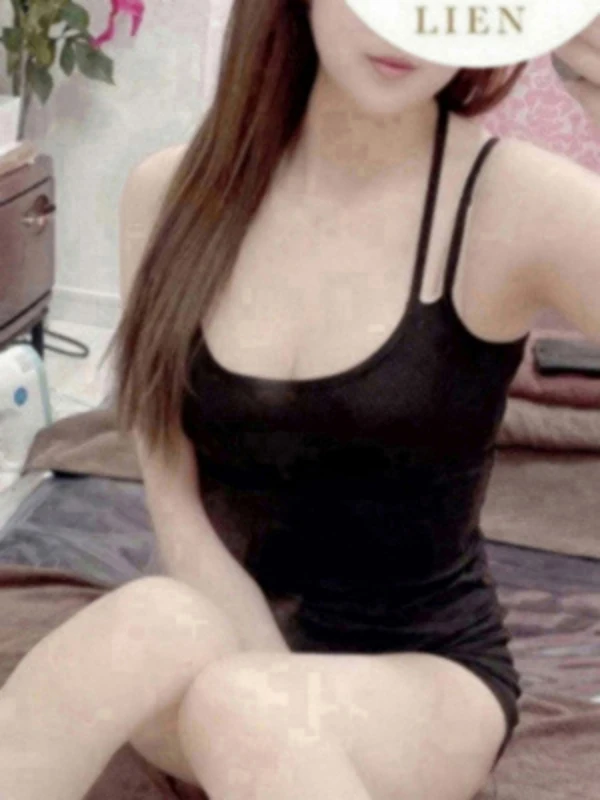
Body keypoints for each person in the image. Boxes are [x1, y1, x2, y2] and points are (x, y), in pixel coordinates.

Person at [4, 1, 598, 799]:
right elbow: (173, 497)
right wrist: (258, 682)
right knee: (145, 623)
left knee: (244, 706)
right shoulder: (169, 193)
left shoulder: (515, 200)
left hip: (424, 683)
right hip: (225, 639)